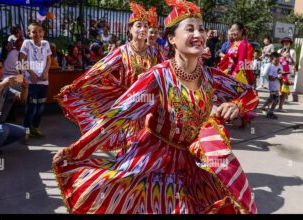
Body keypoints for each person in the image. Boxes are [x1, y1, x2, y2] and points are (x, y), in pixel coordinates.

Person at [53, 0, 258, 214]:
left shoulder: (211, 76)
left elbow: (250, 93)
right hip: (156, 158)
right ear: (172, 39)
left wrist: (236, 105)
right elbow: (118, 116)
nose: (198, 34)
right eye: (190, 29)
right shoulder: (159, 75)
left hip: (193, 161)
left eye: (201, 29)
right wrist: (77, 150)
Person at [56, 2, 164, 140]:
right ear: (130, 29)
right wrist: (75, 86)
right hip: (128, 102)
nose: (143, 29)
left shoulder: (155, 52)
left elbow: (166, 72)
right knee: (129, 141)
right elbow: (98, 71)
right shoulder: (123, 52)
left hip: (149, 103)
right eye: (139, 25)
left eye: (146, 25)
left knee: (146, 141)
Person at [217, 22, 255, 128]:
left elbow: (243, 61)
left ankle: (244, 120)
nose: (233, 32)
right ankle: (229, 117)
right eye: (231, 29)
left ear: (241, 31)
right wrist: (219, 68)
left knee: (238, 98)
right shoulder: (233, 43)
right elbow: (227, 58)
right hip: (230, 72)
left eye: (235, 30)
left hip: (238, 74)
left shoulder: (244, 44)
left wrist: (236, 75)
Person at [19, 22, 52, 143]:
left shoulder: (46, 43)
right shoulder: (26, 43)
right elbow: (21, 60)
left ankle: (35, 128)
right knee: (31, 107)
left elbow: (49, 60)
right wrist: (31, 73)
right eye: (34, 31)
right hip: (31, 82)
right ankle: (25, 131)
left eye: (39, 31)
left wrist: (46, 72)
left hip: (43, 81)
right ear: (29, 33)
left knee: (40, 106)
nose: (37, 33)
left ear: (43, 32)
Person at [259, 52, 282, 119]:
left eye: (278, 60)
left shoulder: (279, 65)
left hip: (277, 85)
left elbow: (280, 73)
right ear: (271, 60)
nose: (277, 62)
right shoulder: (271, 67)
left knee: (271, 99)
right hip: (272, 86)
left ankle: (263, 107)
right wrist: (277, 77)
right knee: (276, 100)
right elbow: (270, 78)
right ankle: (270, 112)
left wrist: (281, 81)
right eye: (275, 61)